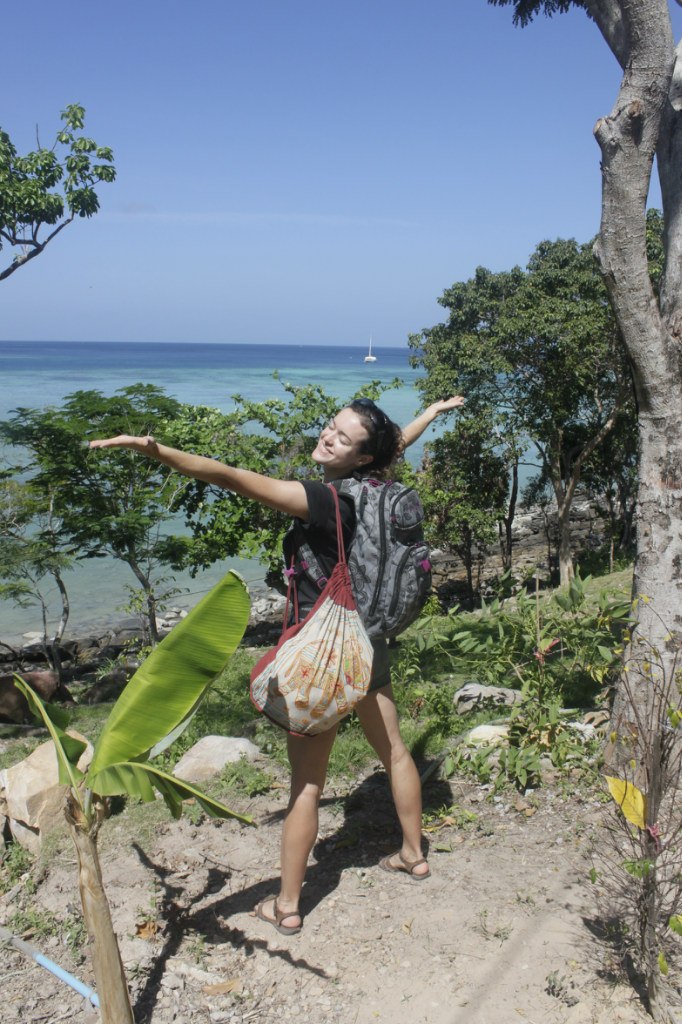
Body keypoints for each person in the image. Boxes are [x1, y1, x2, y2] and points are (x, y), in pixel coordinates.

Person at [90, 393, 464, 935]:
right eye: (330, 426)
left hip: (321, 656)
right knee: (396, 752)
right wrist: (429, 413)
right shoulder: (377, 485)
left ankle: (287, 905)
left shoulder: (325, 500)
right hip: (368, 642)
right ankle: (414, 853)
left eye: (342, 436)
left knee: (306, 786)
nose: (329, 436)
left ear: (361, 457)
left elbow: (233, 477)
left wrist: (159, 451)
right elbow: (392, 444)